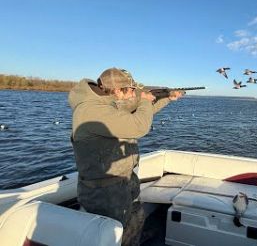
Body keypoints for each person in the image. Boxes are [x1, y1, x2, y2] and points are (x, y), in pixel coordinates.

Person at [68, 67, 183, 245]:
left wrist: (167, 97)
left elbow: (144, 112)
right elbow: (139, 125)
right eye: (130, 90)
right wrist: (145, 100)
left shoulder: (108, 104)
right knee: (111, 236)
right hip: (104, 194)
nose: (133, 94)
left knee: (132, 226)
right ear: (116, 90)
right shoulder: (92, 111)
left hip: (123, 184)